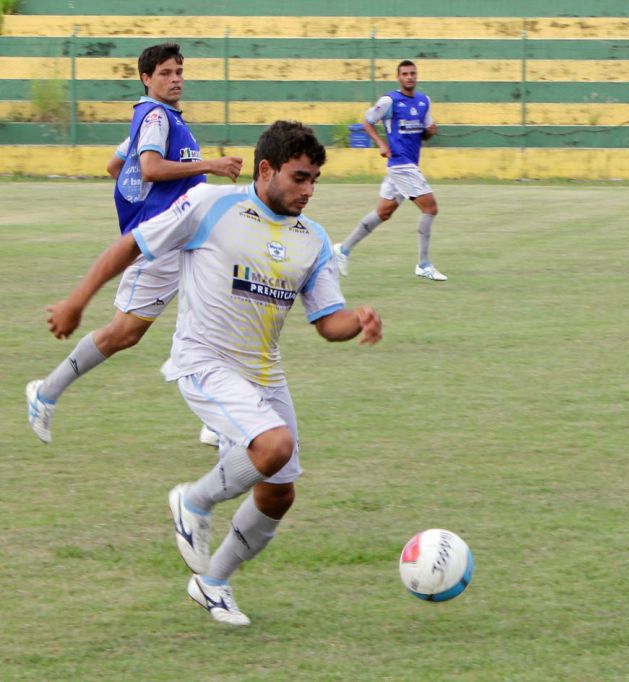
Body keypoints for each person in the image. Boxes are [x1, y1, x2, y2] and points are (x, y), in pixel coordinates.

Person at [44, 120, 383, 626]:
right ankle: (193, 500)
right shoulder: (211, 206)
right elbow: (133, 244)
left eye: (314, 179)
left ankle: (213, 581)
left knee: (278, 491)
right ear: (265, 169)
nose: (308, 190)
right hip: (204, 361)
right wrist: (77, 301)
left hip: (264, 374)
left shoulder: (312, 239)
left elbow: (325, 322)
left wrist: (355, 321)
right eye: (298, 178)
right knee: (275, 448)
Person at [26, 42, 243, 446]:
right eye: (165, 73)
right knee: (124, 333)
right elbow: (149, 167)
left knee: (220, 313)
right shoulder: (157, 117)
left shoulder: (158, 118)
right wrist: (209, 165)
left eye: (179, 71)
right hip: (160, 239)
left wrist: (141, 191)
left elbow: (118, 165)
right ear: (146, 79)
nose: (175, 78)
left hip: (189, 238)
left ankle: (220, 421)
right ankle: (45, 391)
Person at [333, 59, 447, 281]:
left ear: (417, 76)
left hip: (409, 164)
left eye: (412, 73)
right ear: (398, 77)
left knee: (383, 213)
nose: (409, 77)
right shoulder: (390, 100)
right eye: (404, 73)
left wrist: (430, 132)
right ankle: (423, 264)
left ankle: (343, 250)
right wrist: (381, 144)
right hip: (400, 165)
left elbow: (422, 133)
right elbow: (367, 122)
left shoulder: (424, 102)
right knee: (430, 208)